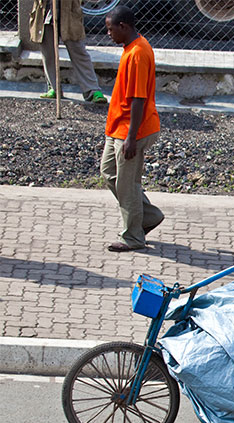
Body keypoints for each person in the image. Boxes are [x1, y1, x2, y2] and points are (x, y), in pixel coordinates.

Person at [100, 6, 163, 253]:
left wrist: (131, 138)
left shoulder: (137, 53)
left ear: (123, 27)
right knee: (109, 173)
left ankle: (133, 237)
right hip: (119, 128)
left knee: (127, 184)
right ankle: (148, 216)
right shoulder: (133, 48)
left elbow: (138, 99)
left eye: (110, 29)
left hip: (131, 130)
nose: (108, 34)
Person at [28, 0, 108, 104]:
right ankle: (54, 87)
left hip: (69, 13)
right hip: (46, 12)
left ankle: (92, 90)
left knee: (78, 51)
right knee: (48, 52)